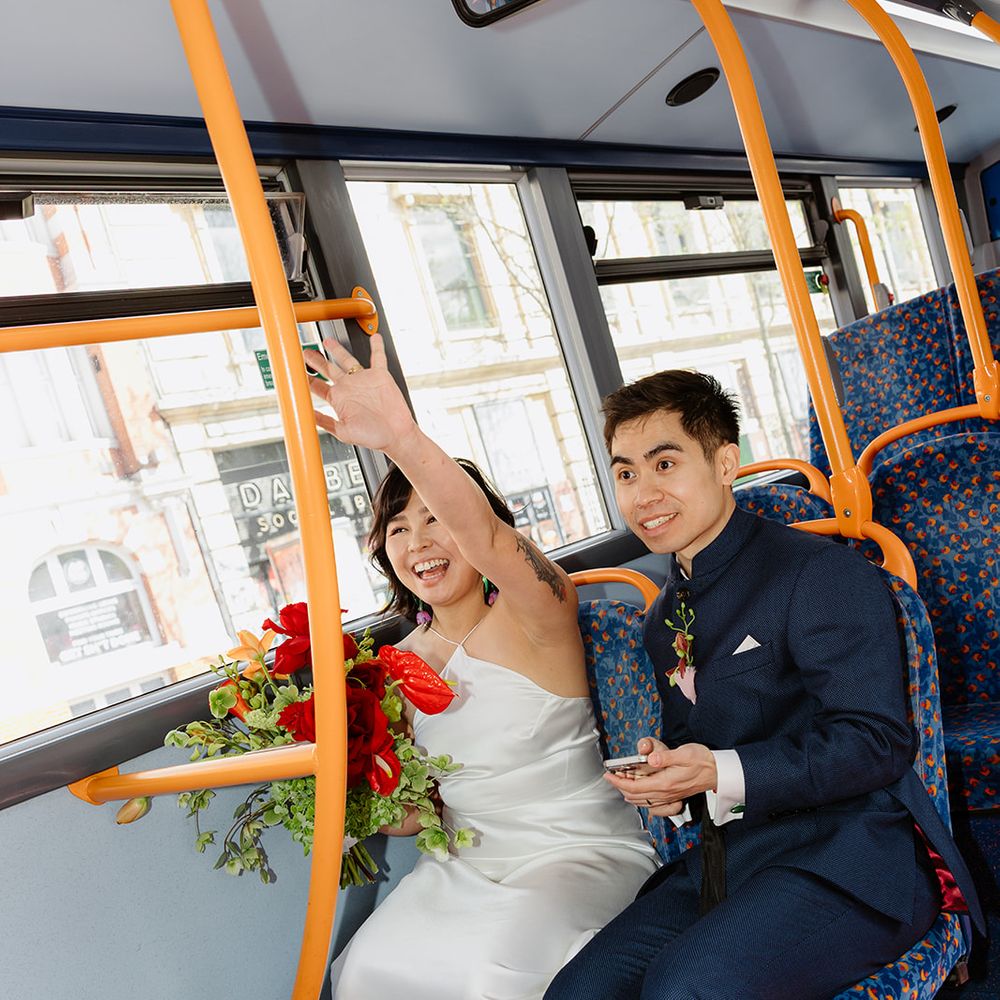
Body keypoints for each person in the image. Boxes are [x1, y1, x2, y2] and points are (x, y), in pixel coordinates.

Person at [545, 370, 984, 1000]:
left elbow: (875, 741)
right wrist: (674, 785)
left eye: (665, 463)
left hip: (851, 854)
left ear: (726, 463)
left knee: (684, 989)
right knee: (579, 992)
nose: (644, 493)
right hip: (736, 855)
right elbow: (698, 753)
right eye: (625, 473)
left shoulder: (818, 574)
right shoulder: (662, 618)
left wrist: (716, 770)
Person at [305, 335, 659, 1000]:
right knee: (363, 968)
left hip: (575, 854)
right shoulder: (392, 671)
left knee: (493, 976)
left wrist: (401, 437)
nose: (421, 543)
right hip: (465, 865)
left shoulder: (539, 615)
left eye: (439, 519)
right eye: (401, 527)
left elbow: (494, 542)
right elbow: (421, 815)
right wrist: (353, 804)